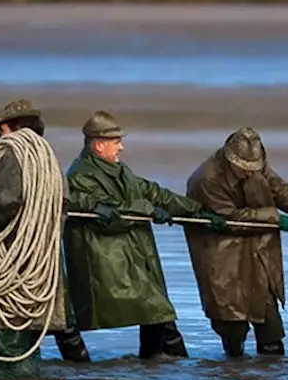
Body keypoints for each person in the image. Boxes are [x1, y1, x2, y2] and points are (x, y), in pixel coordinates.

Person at [65, 110, 227, 359]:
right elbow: (111, 217)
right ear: (99, 145)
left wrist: (199, 211)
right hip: (108, 264)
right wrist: (151, 210)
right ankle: (170, 367)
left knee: (157, 315)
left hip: (135, 255)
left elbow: (153, 192)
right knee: (157, 311)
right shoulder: (81, 175)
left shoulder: (119, 170)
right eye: (116, 141)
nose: (121, 147)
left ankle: (156, 367)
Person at [185, 126, 288, 357]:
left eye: (254, 168)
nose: (250, 173)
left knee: (270, 323)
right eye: (244, 169)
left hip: (258, 253)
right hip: (222, 256)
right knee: (232, 323)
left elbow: (282, 192)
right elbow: (231, 219)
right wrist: (274, 217)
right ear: (231, 160)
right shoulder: (206, 180)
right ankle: (231, 377)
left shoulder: (257, 165)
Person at [0, 101, 92, 363]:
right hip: (40, 272)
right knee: (28, 348)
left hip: (11, 271)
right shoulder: (49, 161)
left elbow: (4, 204)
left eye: (1, 129)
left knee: (8, 353)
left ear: (12, 127)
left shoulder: (12, 154)